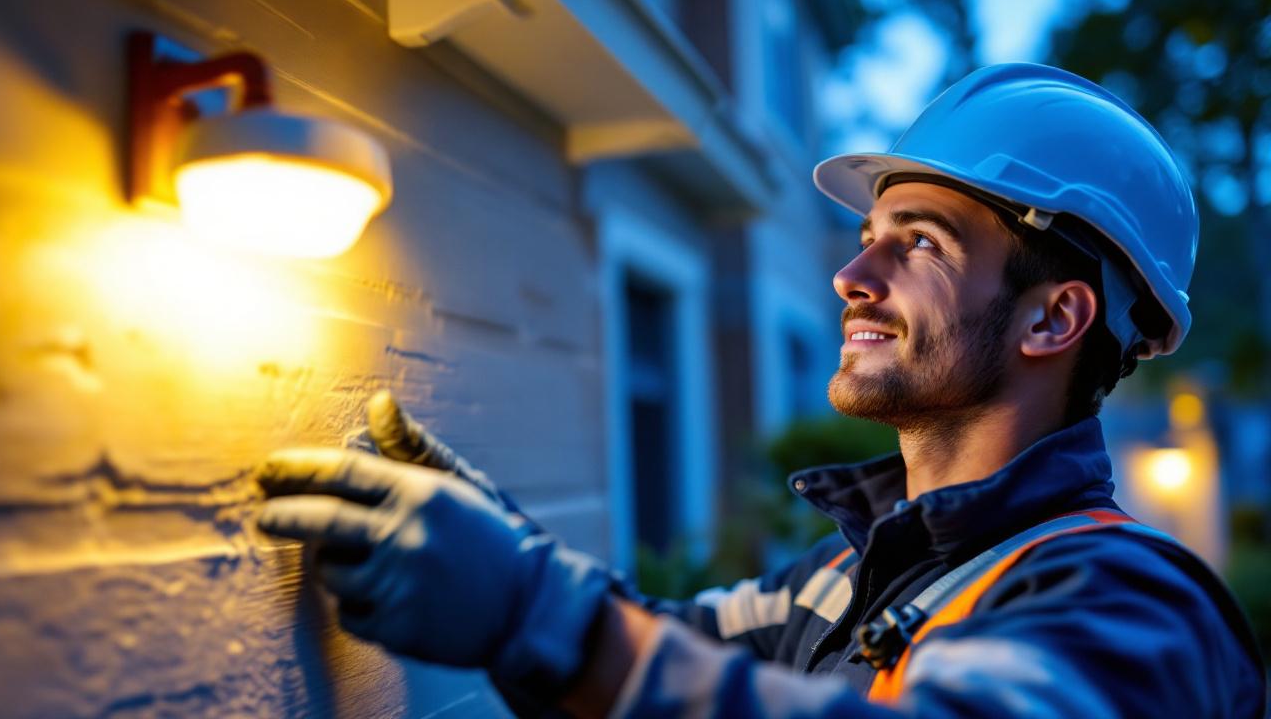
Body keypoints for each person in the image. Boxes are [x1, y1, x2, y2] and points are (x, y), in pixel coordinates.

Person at [254, 64, 1266, 717]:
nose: (852, 279)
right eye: (868, 239)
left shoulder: (1132, 607)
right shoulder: (842, 578)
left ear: (1055, 319)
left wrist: (536, 610)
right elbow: (666, 646)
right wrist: (504, 546)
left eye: (918, 243)